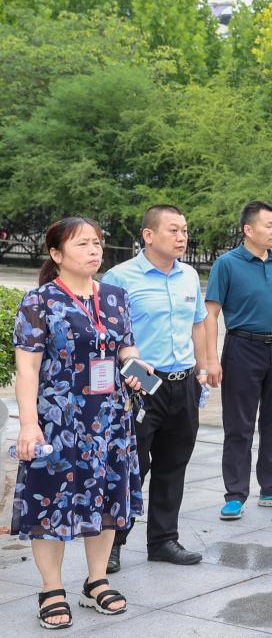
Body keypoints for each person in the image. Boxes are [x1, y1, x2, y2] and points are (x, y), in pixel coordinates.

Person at [12, 217, 148, 628]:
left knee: (107, 497)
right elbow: (27, 369)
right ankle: (51, 588)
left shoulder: (116, 297)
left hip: (110, 418)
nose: (94, 251)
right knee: (50, 501)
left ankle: (96, 580)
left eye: (97, 243)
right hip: (59, 421)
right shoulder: (39, 302)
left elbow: (125, 347)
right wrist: (29, 424)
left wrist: (135, 366)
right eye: (82, 244)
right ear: (56, 254)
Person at [102, 205, 207, 573]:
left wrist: (203, 368)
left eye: (184, 230)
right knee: (133, 466)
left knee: (173, 464)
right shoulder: (120, 277)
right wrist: (132, 375)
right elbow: (108, 336)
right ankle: (112, 544)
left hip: (183, 382)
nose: (182, 237)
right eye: (173, 230)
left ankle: (163, 540)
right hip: (142, 385)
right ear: (148, 235)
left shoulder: (189, 275)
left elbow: (198, 323)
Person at [204, 201, 272, 520]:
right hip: (243, 349)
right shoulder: (227, 264)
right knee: (239, 425)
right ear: (248, 230)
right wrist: (211, 359)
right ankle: (235, 494)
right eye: (268, 225)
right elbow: (211, 313)